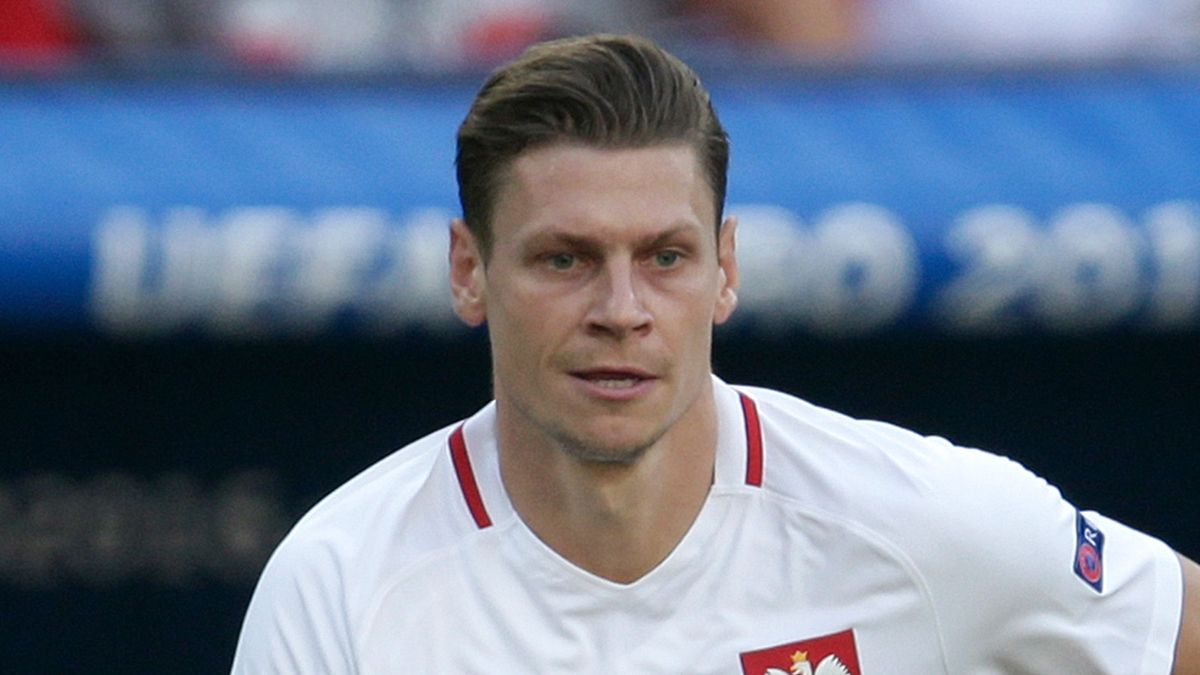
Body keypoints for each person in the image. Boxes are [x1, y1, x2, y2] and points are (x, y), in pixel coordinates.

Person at [231, 33, 1199, 673]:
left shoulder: (926, 526)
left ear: (726, 269)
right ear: (468, 271)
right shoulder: (343, 585)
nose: (622, 309)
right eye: (565, 258)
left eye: (666, 258)